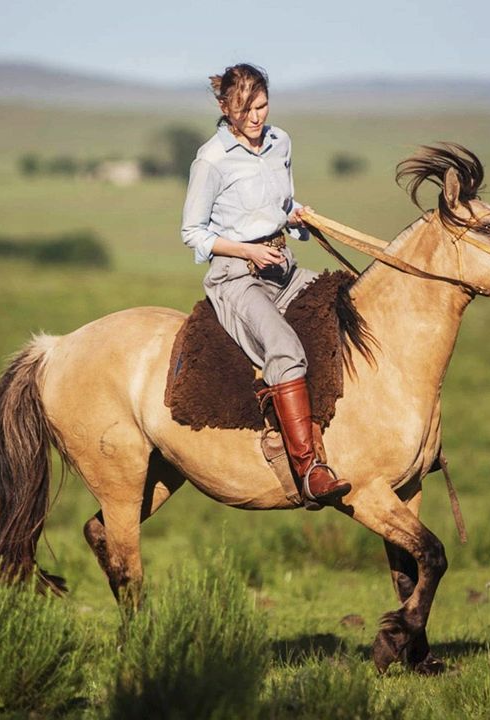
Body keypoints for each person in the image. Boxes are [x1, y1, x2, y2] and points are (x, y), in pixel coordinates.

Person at [180, 63, 351, 505]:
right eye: (244, 109)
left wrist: (295, 216)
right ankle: (309, 470)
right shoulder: (211, 160)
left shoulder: (281, 143)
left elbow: (283, 203)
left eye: (262, 105)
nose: (256, 117)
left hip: (285, 268)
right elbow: (193, 233)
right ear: (224, 108)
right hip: (236, 277)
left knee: (349, 300)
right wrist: (247, 250)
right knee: (286, 349)